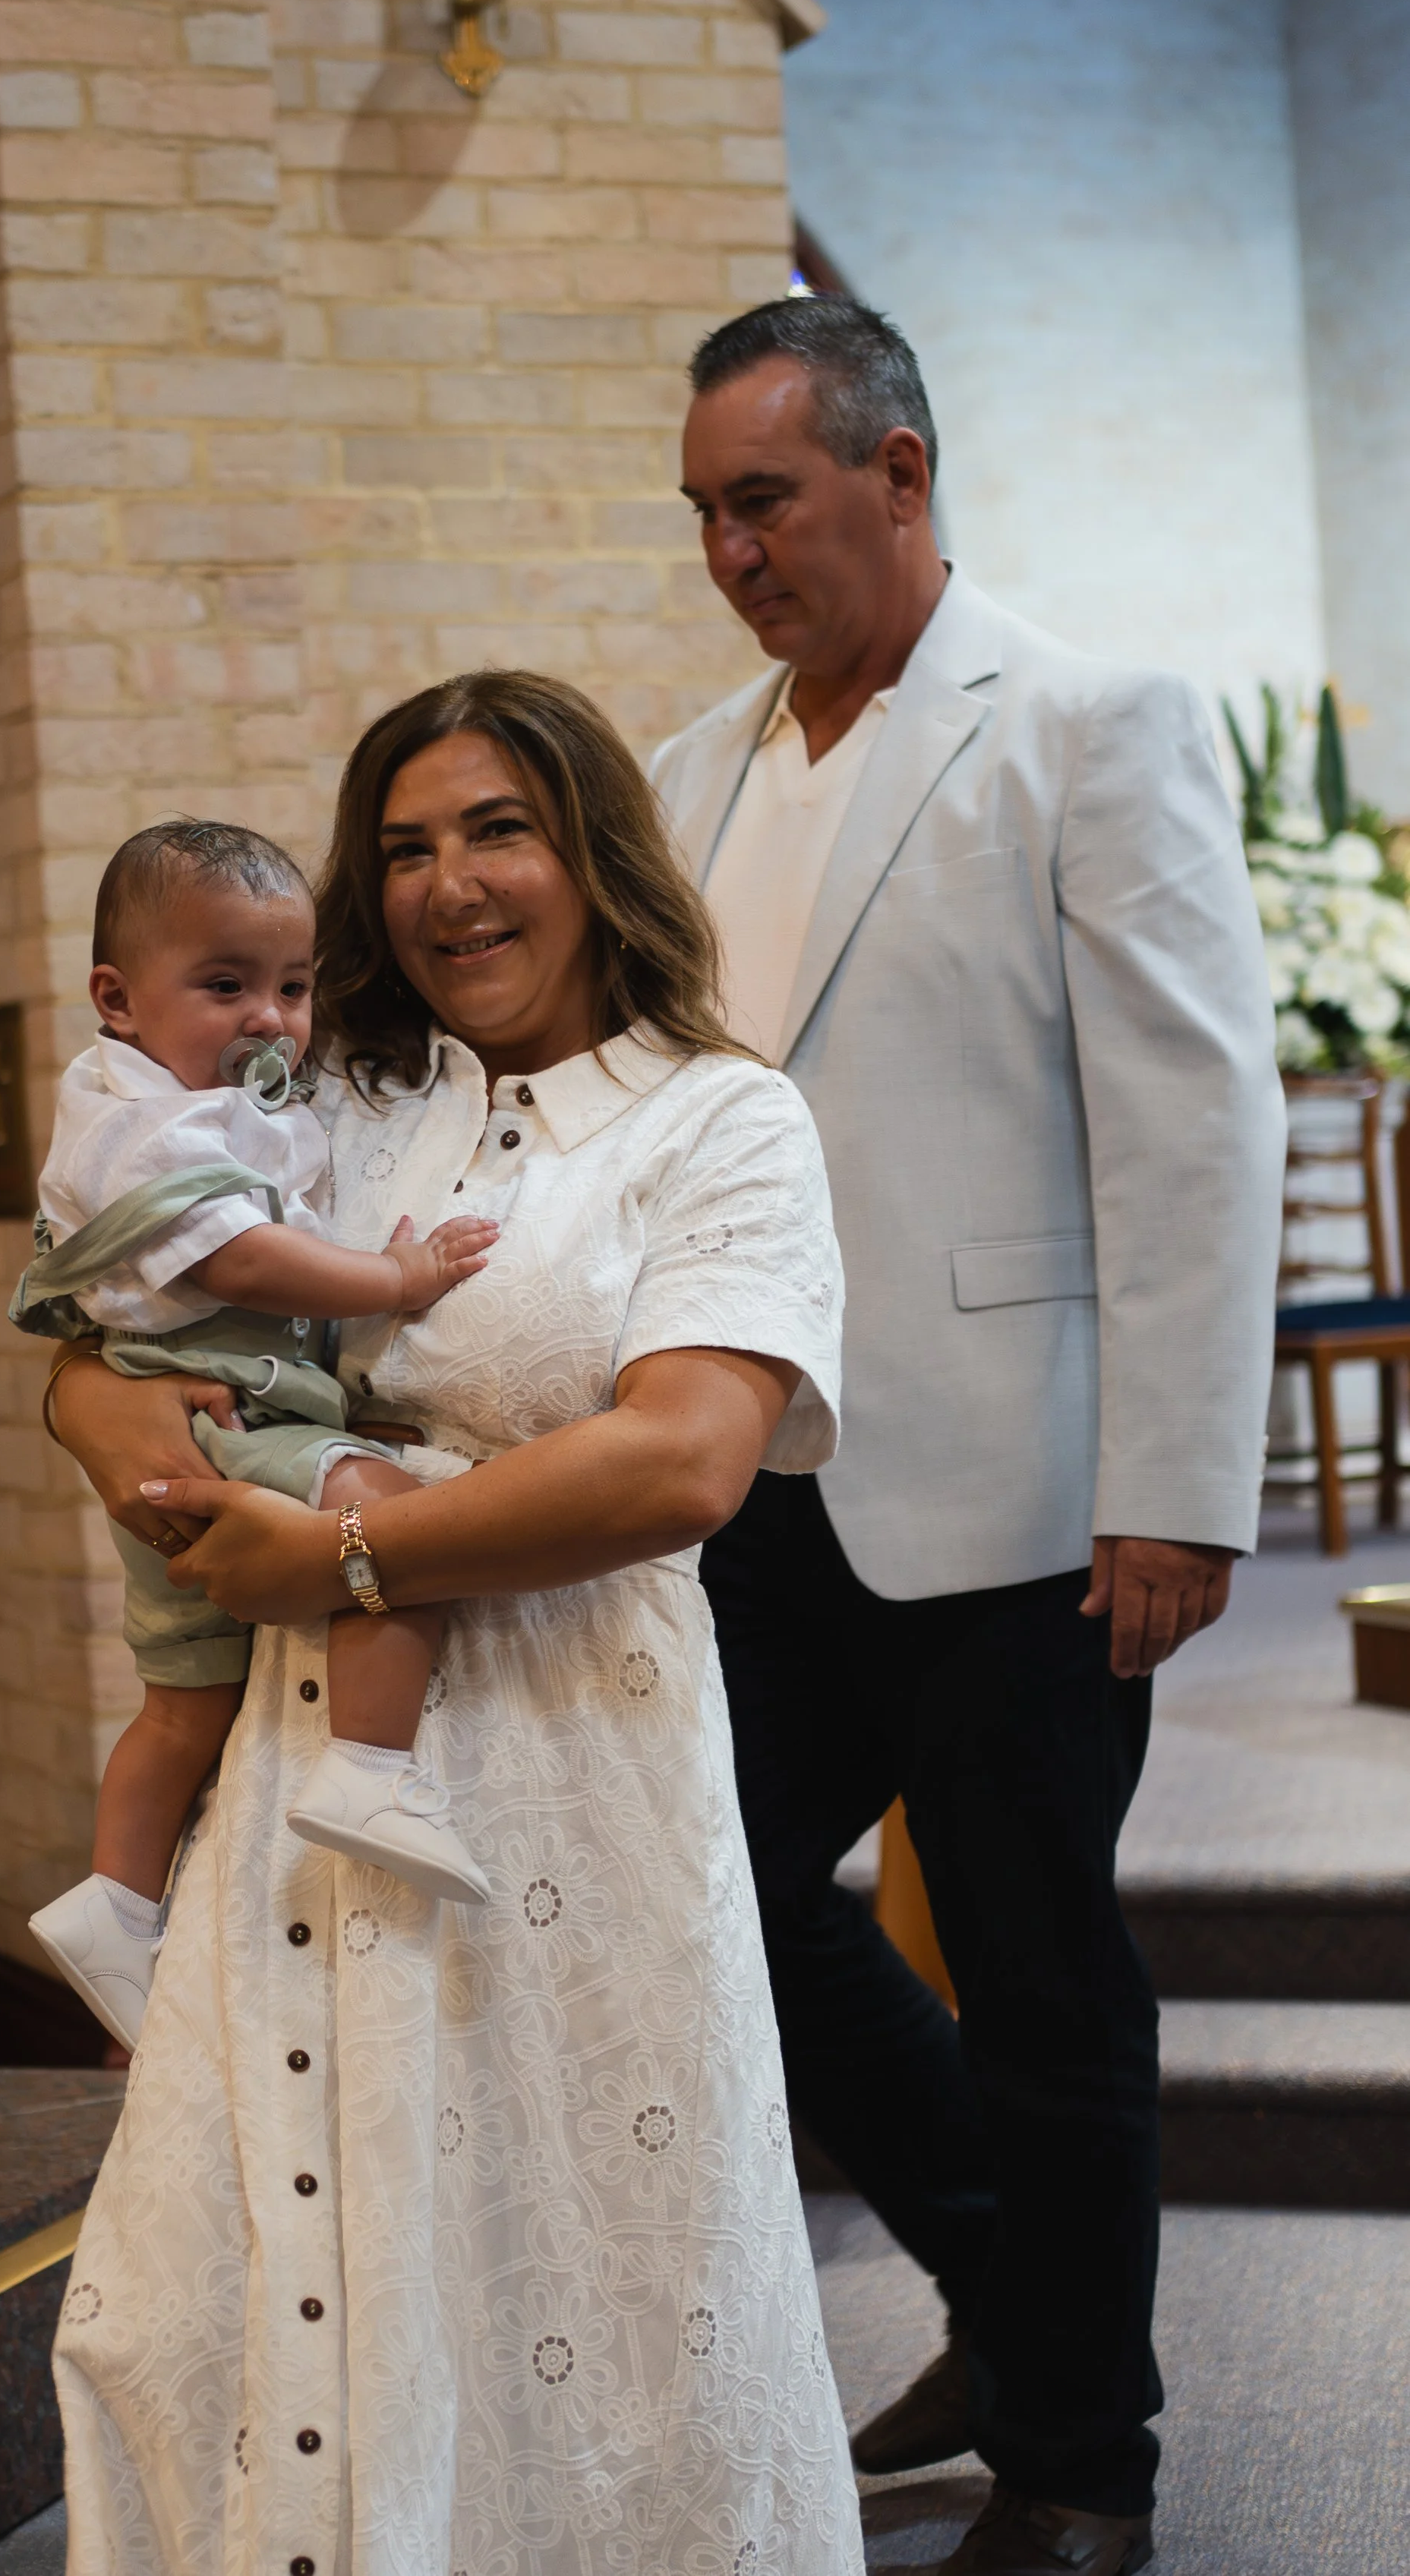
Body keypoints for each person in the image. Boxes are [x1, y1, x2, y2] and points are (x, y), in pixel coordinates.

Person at [43, 671, 864, 2576]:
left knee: (579, 2308)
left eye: (497, 829)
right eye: (404, 847)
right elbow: (131, 1323)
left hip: (578, 1760)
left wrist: (335, 1562)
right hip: (297, 1769)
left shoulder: (716, 1122)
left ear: (593, 849)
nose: (449, 885)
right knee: (219, 2297)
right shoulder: (329, 1098)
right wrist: (101, 1426)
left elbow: (676, 1465)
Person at [653, 296, 1285, 2576]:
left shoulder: (1087, 722)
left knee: (1033, 1968)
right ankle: (1011, 2302)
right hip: (754, 1478)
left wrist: (1176, 1485)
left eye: (767, 498)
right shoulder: (687, 767)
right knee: (703, 1894)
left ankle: (1083, 2460)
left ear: (897, 477)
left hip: (1028, 1489)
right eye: (706, 511)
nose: (730, 550)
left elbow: (1192, 1115)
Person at [15, 818, 501, 2054]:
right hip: (235, 1407)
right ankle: (371, 1772)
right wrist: (391, 1278)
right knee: (398, 1519)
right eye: (225, 985)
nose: (272, 1021)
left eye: (292, 988)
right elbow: (234, 1252)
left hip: (188, 1418)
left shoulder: (200, 1094)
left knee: (183, 1699)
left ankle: (117, 1906)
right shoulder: (146, 1115)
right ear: (116, 1001)